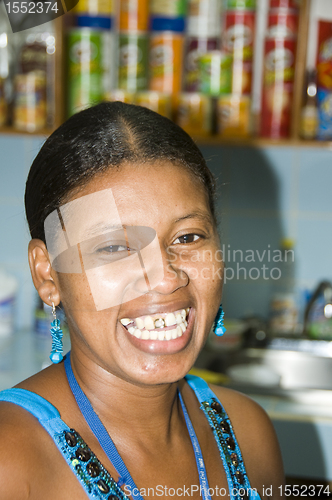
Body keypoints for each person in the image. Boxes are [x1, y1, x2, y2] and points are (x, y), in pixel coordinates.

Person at [0, 102, 284, 500]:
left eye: (188, 237)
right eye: (115, 246)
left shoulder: (248, 432)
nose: (166, 277)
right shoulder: (11, 460)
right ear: (48, 275)